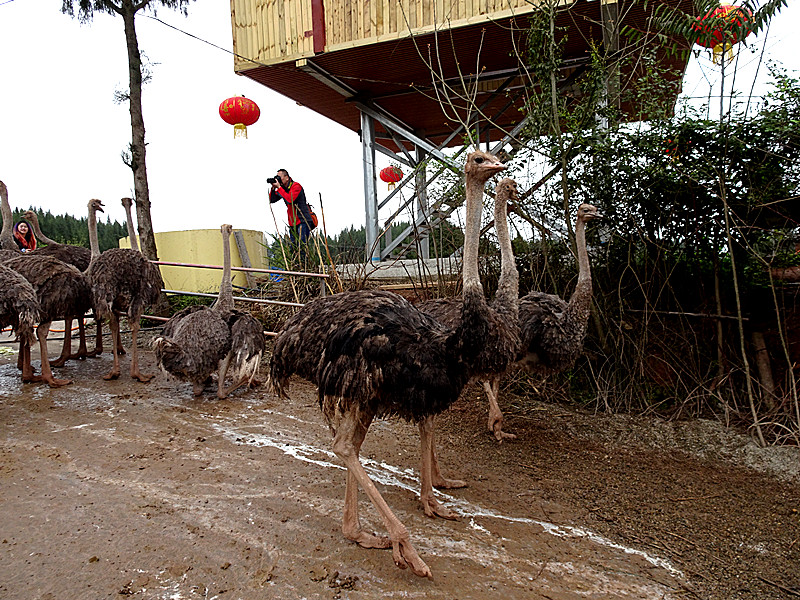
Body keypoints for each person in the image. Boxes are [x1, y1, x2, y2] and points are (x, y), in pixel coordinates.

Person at [268, 169, 315, 249]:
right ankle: (296, 261)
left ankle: (304, 261)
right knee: (294, 248)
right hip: (293, 223)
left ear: (286, 177)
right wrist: (273, 188)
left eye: (279, 177)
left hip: (303, 221)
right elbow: (272, 200)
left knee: (302, 248)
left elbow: (290, 200)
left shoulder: (296, 186)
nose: (278, 179)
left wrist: (279, 187)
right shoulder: (283, 189)